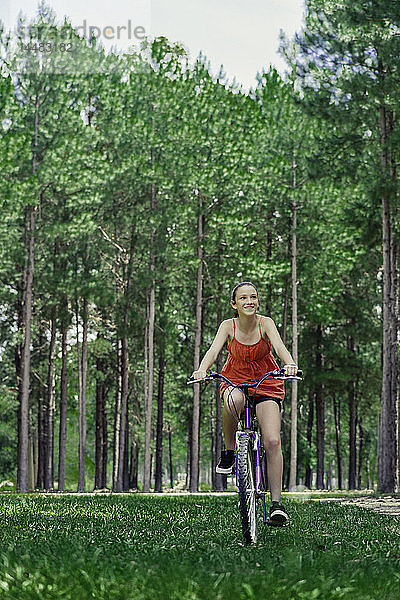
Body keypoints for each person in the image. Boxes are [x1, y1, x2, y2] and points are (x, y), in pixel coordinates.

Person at [191, 281, 298, 526]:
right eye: (243, 298)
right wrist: (202, 370)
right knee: (233, 400)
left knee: (272, 440)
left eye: (253, 297)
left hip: (266, 380)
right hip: (235, 378)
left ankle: (276, 505)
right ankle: (230, 450)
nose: (249, 301)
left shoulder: (266, 323)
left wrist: (289, 363)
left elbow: (280, 347)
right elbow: (213, 351)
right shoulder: (227, 326)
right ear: (234, 304)